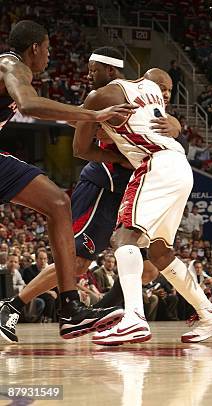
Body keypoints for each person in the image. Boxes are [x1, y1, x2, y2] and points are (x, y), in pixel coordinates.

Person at [0, 48, 185, 343]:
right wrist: (117, 156)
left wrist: (177, 125)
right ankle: (14, 305)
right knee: (77, 262)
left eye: (168, 90)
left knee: (149, 267)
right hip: (103, 184)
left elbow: (168, 135)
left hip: (134, 187)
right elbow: (80, 136)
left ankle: (106, 313)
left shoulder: (148, 107)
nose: (163, 93)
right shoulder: (106, 100)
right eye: (160, 87)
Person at [0, 21, 136, 343]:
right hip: (100, 185)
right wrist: (93, 116)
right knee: (64, 216)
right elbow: (31, 105)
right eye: (47, 50)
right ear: (35, 48)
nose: (49, 56)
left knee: (59, 203)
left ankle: (70, 309)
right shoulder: (12, 65)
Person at [73, 68, 212, 345]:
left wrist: (112, 150)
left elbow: (80, 148)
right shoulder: (153, 95)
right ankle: (209, 313)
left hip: (155, 164)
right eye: (164, 88)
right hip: (181, 168)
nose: (166, 93)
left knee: (123, 237)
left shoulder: (103, 95)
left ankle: (133, 318)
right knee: (160, 250)